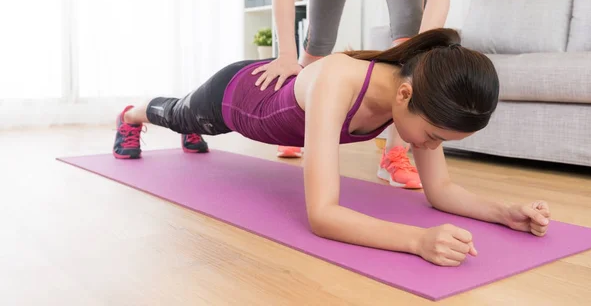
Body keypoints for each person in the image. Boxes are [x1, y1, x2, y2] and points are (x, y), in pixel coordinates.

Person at [112, 28, 551, 266]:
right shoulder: (341, 80)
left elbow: (440, 192)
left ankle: (189, 131)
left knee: (189, 124)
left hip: (269, 89)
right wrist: (417, 241)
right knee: (177, 114)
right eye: (434, 136)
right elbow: (323, 215)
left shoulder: (418, 96)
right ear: (404, 97)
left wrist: (504, 212)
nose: (429, 146)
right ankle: (132, 114)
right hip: (235, 97)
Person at [251, 0, 452, 187]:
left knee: (411, 42)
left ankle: (393, 155)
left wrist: (421, 63)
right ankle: (295, 129)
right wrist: (286, 55)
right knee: (319, 40)